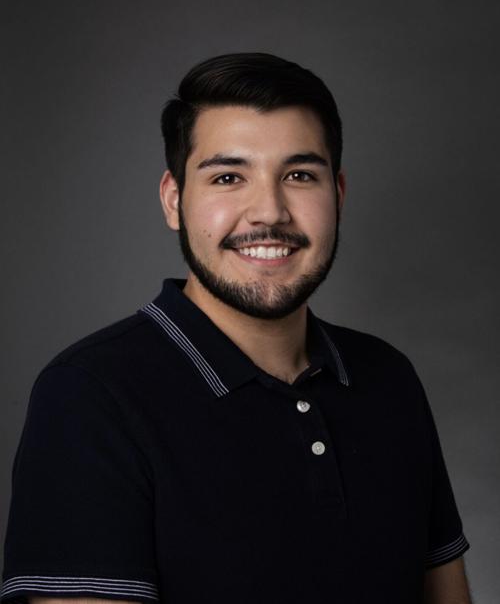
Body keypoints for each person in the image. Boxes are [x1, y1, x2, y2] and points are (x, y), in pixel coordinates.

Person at [1, 52, 472, 604]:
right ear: (174, 200)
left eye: (299, 175)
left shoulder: (389, 378)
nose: (268, 212)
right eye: (228, 177)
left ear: (338, 196)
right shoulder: (90, 395)